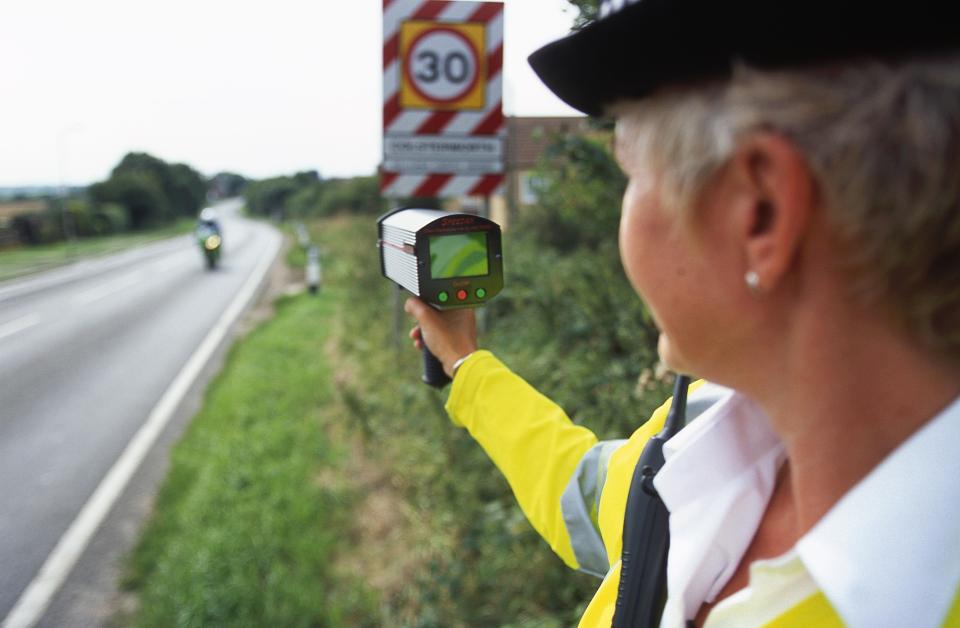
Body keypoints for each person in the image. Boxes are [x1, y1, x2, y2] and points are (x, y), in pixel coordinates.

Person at [404, 0, 960, 626]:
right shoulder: (700, 441)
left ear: (761, 213)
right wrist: (465, 364)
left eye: (631, 174)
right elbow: (581, 492)